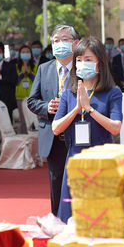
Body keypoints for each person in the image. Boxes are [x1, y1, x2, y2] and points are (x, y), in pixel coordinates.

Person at [51, 36, 123, 222]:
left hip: (101, 159)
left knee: (100, 214)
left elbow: (116, 127)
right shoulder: (68, 94)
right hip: (75, 159)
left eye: (88, 60)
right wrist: (77, 108)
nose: (83, 64)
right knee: (71, 214)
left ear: (100, 63)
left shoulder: (112, 93)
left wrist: (89, 109)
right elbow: (56, 128)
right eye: (79, 60)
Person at [27, 24, 80, 216]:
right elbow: (32, 100)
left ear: (75, 43)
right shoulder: (44, 69)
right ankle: (58, 222)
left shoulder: (83, 67)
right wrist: (46, 107)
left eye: (65, 40)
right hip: (53, 134)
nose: (60, 44)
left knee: (79, 180)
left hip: (78, 133)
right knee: (56, 181)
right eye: (56, 41)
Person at [15, 45, 37, 133]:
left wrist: (29, 73)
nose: (25, 54)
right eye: (23, 52)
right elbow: (15, 81)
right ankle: (24, 137)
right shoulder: (16, 66)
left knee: (33, 119)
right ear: (20, 54)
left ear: (31, 54)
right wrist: (22, 74)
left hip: (32, 96)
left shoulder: (35, 66)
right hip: (20, 96)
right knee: (23, 120)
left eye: (27, 52)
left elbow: (37, 80)